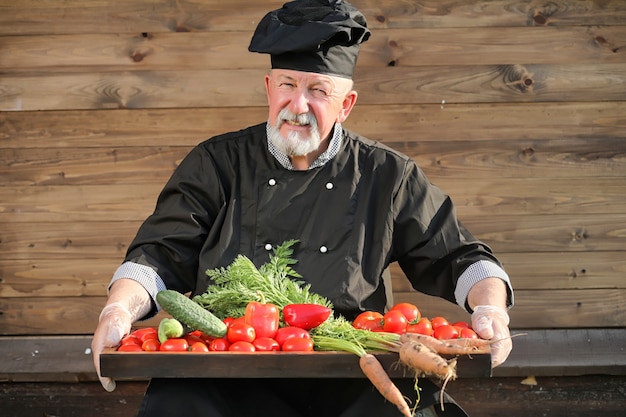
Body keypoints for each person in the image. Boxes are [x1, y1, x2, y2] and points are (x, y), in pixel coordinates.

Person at [91, 1, 514, 416]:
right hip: (228, 366)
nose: (298, 106)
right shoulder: (216, 163)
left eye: (318, 91)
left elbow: (458, 256)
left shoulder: (387, 174)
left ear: (345, 105)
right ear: (269, 88)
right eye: (288, 85)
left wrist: (490, 308)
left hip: (353, 368)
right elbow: (158, 255)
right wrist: (118, 308)